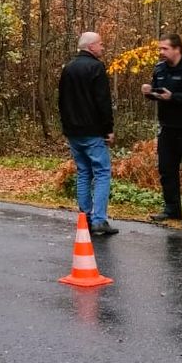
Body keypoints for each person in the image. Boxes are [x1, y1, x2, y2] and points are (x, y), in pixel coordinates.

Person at [141, 34, 182, 225]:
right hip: (167, 128)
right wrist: (149, 92)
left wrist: (174, 97)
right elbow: (159, 94)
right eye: (160, 48)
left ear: (177, 49)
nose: (161, 52)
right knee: (166, 171)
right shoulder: (159, 69)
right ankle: (171, 209)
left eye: (165, 48)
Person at [57, 32, 117, 238]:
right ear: (91, 46)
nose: (102, 48)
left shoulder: (68, 69)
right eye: (100, 44)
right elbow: (103, 102)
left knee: (83, 172)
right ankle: (99, 220)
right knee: (101, 173)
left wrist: (66, 127)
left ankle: (86, 216)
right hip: (92, 131)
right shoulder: (96, 68)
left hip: (73, 131)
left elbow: (61, 101)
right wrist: (108, 129)